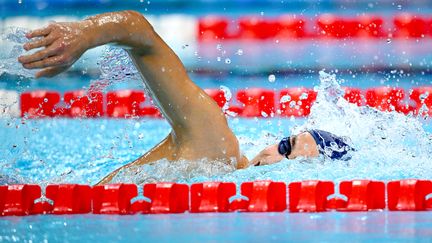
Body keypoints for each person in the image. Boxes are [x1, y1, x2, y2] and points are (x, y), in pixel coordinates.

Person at [18, 11, 353, 185]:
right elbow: (138, 32)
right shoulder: (214, 146)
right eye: (285, 147)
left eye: (295, 167)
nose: (278, 161)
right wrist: (85, 33)